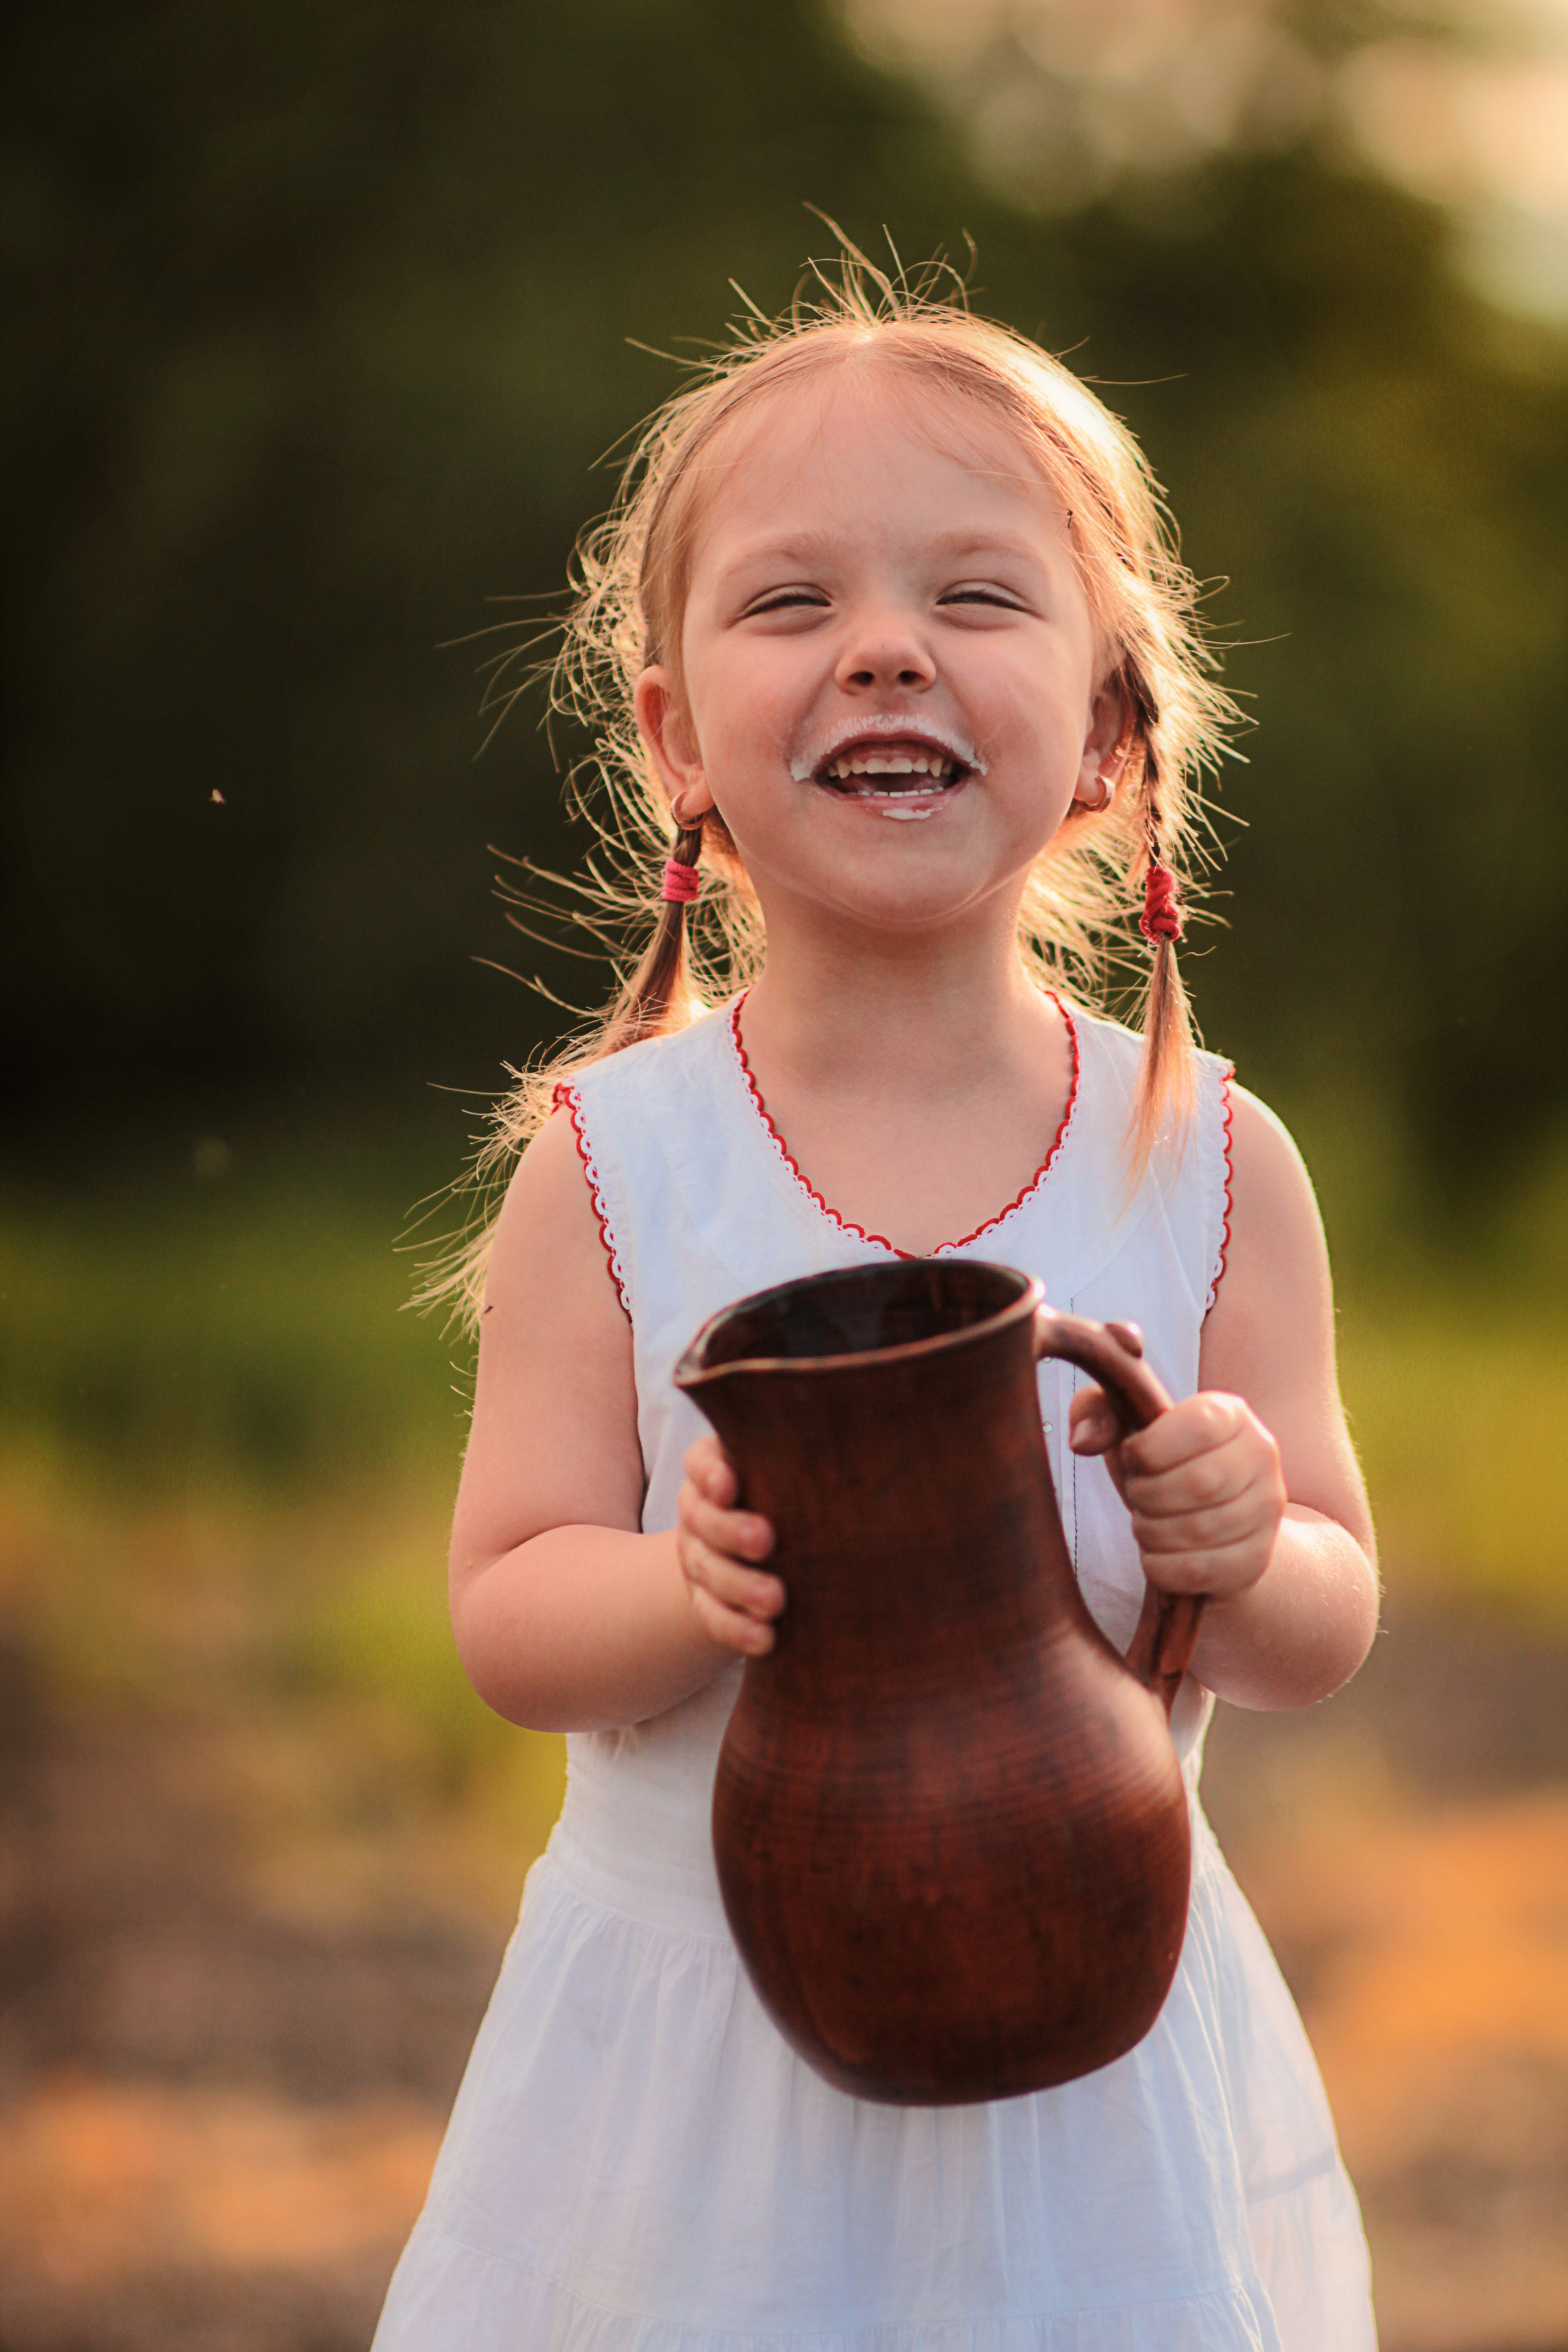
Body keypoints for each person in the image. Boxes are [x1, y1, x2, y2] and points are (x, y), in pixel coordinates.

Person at [374, 263, 1381, 2351]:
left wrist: (1237, 1532)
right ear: (674, 739)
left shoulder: (1209, 1160)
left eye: (981, 599)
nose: (887, 650)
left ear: (1113, 729)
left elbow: (1326, 1614)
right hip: (693, 2076)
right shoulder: (614, 1162)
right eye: (789, 602)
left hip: (1102, 2048)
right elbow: (503, 1609)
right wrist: (684, 1587)